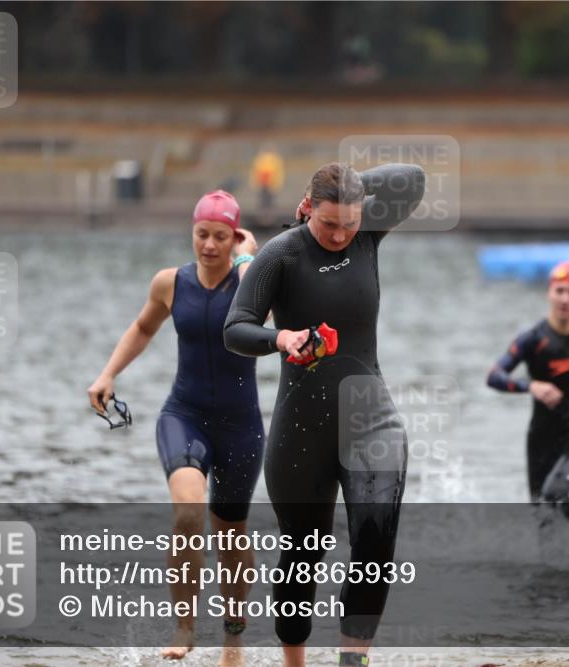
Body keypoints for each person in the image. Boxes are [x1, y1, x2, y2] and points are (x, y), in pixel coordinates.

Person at [223, 162, 426, 667]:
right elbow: (236, 328)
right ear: (307, 209)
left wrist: (352, 187)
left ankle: (352, 660)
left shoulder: (368, 234)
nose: (339, 235)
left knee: (375, 539)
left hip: (371, 419)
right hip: (302, 428)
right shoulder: (282, 254)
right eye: (328, 223)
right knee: (302, 553)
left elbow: (414, 178)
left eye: (348, 223)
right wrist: (281, 338)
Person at [87, 190, 263, 664]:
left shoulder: (250, 281)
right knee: (188, 512)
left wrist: (249, 260)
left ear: (236, 238)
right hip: (184, 415)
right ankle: (184, 627)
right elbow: (143, 328)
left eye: (221, 236)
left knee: (231, 536)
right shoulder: (170, 282)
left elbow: (270, 319)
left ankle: (233, 634)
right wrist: (108, 374)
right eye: (202, 234)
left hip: (241, 425)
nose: (209, 245)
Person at [487, 261, 569, 527]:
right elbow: (494, 376)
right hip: (541, 436)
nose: (565, 299)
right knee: (542, 514)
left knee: (555, 492)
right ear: (549, 293)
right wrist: (531, 386)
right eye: (560, 291)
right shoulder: (532, 339)